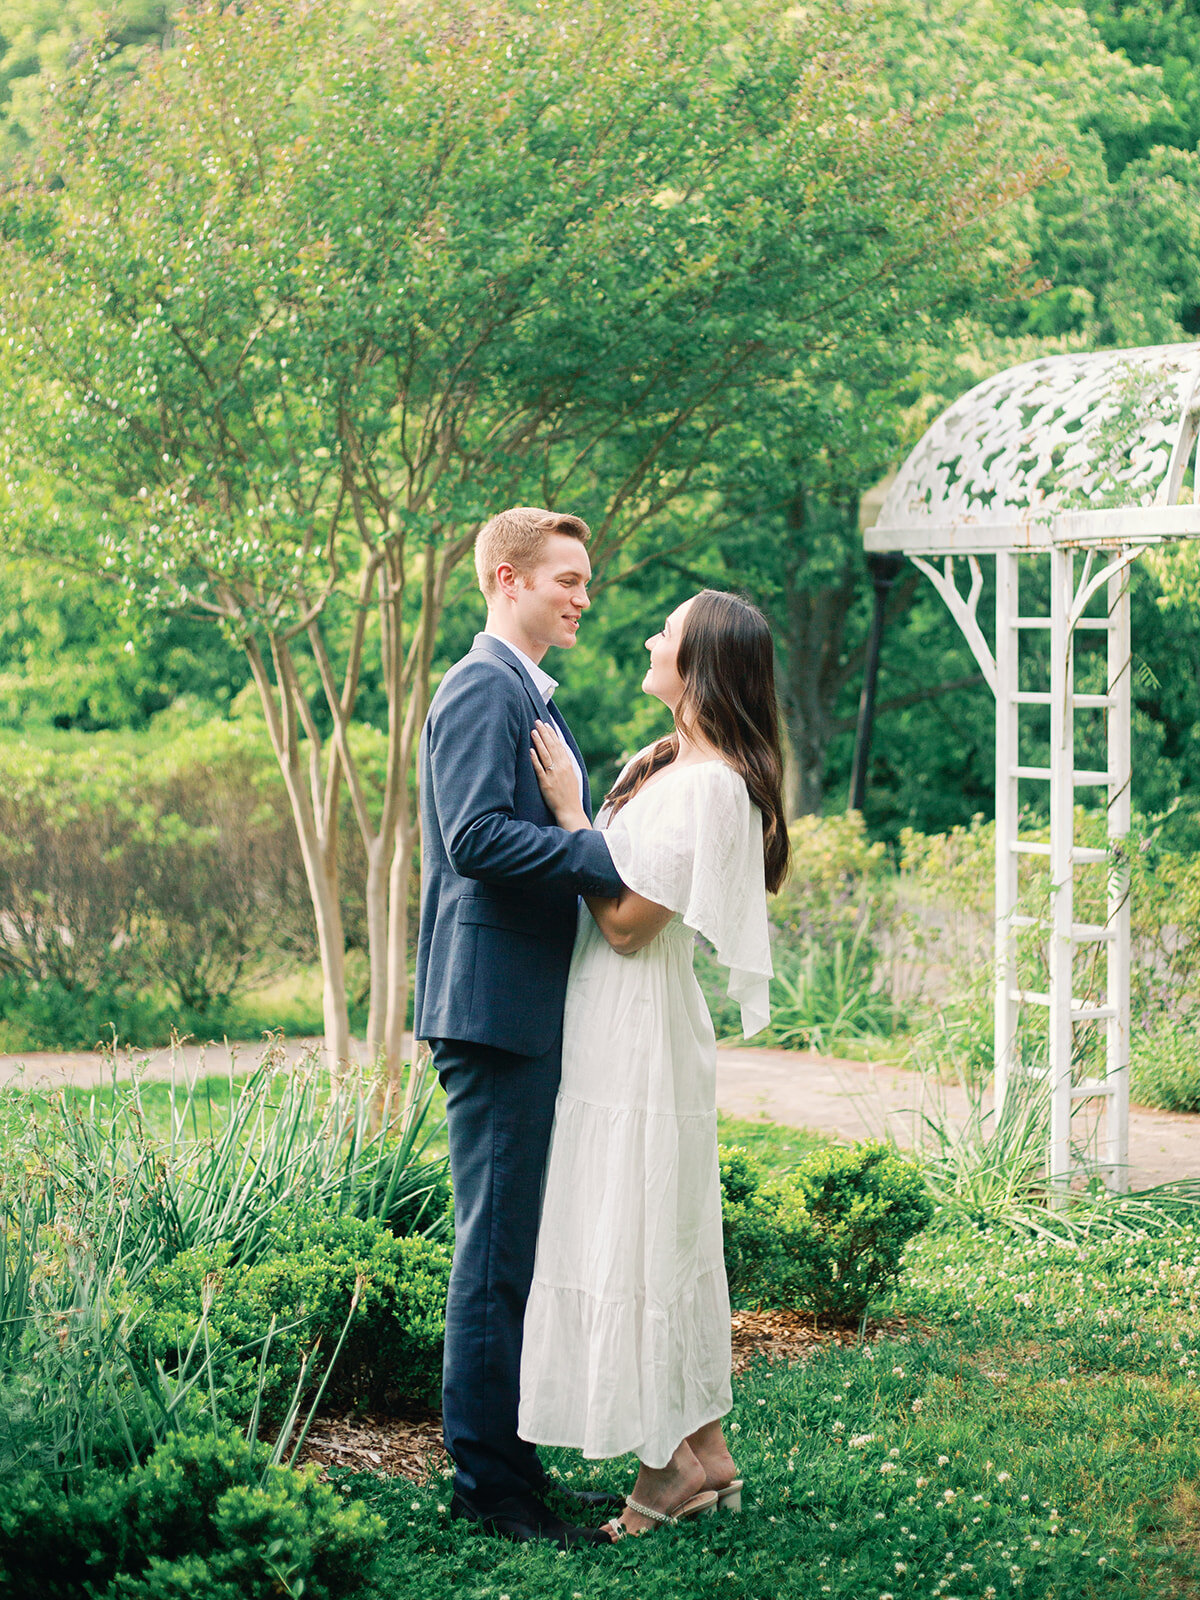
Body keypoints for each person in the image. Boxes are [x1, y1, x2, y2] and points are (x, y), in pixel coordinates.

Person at [517, 588, 790, 1539]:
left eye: (665, 633)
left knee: (636, 1219)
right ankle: (705, 1448)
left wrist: (566, 817)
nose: (646, 635)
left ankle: (665, 1468)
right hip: (615, 1015)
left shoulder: (712, 787)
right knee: (652, 1217)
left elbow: (630, 925)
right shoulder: (671, 761)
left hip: (635, 1018)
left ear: (701, 665)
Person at [414, 506, 628, 1550]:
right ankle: (487, 1488)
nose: (584, 597)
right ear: (508, 578)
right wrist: (596, 851)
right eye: (568, 580)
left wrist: (598, 805)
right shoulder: (480, 686)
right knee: (493, 1252)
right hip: (491, 1012)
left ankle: (512, 1463)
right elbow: (474, 838)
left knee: (513, 1249)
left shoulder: (525, 693)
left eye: (585, 582)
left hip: (517, 1007)